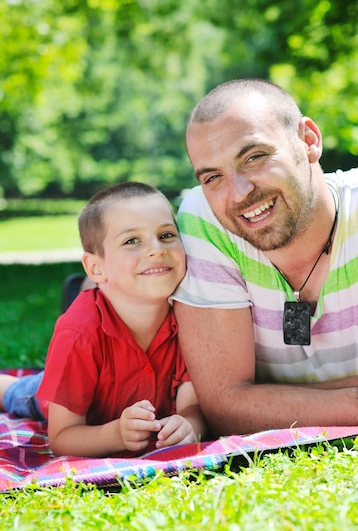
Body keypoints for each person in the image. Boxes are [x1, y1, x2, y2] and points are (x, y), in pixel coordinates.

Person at [172, 78, 358, 437]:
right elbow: (225, 408)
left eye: (254, 157)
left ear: (308, 141)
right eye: (213, 177)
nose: (239, 194)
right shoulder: (204, 218)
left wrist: (264, 402)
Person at [0, 182, 205, 457]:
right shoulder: (78, 333)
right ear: (96, 267)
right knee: (20, 393)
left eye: (167, 234)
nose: (156, 249)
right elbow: (61, 437)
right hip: (75, 396)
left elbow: (192, 408)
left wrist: (189, 425)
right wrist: (116, 435)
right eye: (132, 240)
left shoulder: (193, 316)